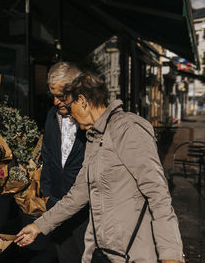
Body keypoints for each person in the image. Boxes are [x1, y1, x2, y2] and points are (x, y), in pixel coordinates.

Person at [15, 73, 184, 263]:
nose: (69, 115)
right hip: (99, 252)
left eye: (70, 108)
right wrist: (38, 226)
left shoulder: (128, 129)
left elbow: (158, 195)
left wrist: (171, 255)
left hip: (132, 253)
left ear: (82, 101)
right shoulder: (94, 138)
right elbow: (78, 194)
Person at [38, 62, 88, 263]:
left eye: (61, 96)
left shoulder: (90, 119)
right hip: (57, 202)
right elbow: (48, 154)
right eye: (53, 96)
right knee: (65, 255)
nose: (56, 102)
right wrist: (48, 194)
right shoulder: (52, 115)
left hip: (86, 207)